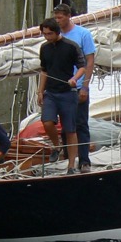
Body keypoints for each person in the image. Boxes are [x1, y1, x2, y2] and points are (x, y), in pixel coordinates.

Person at [37, 17, 86, 174]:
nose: (47, 37)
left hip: (67, 93)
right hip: (50, 92)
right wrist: (40, 91)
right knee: (47, 121)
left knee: (70, 130)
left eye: (50, 34)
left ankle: (71, 165)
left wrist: (74, 79)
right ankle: (57, 146)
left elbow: (82, 67)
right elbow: (44, 70)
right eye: (44, 34)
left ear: (57, 32)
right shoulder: (44, 48)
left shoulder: (71, 46)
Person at [53, 3, 96, 173]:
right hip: (60, 87)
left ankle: (84, 160)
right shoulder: (55, 36)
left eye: (60, 17)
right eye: (55, 17)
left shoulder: (83, 34)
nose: (58, 20)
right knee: (65, 125)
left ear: (68, 16)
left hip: (77, 86)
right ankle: (68, 158)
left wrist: (85, 86)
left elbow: (89, 60)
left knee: (80, 123)